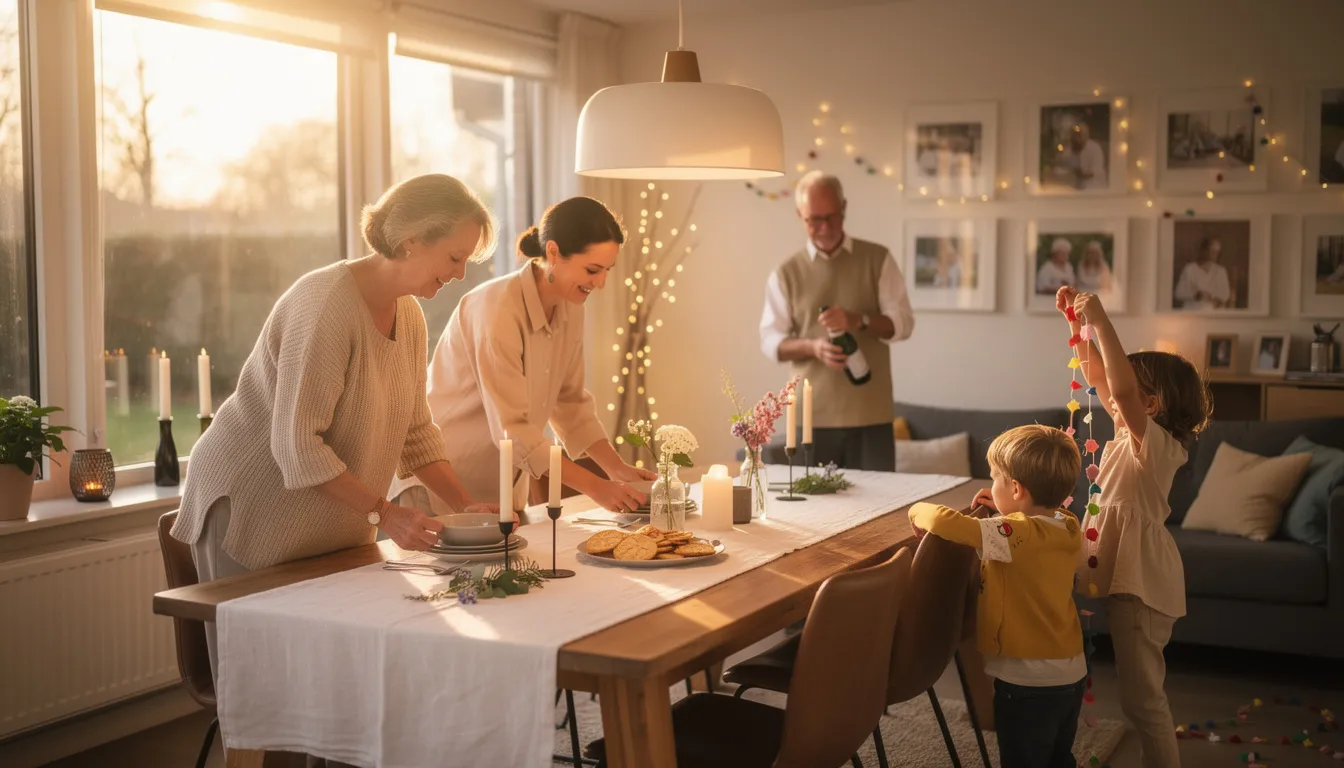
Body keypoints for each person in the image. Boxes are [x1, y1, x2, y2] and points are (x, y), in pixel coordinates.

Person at [171, 173, 501, 675]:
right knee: (260, 682)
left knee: (333, 674)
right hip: (253, 506)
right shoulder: (325, 303)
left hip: (329, 517)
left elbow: (416, 432)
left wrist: (464, 505)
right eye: (455, 258)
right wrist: (386, 513)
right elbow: (297, 446)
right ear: (412, 240)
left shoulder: (410, 317)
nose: (460, 274)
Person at [390, 197, 655, 517]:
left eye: (607, 271)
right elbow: (512, 432)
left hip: (504, 489)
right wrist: (597, 487)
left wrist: (616, 469)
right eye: (592, 270)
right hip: (441, 487)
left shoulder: (571, 308)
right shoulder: (496, 308)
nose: (600, 283)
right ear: (554, 253)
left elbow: (570, 403)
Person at [1059, 286, 1212, 768]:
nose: (1116, 395)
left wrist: (1102, 318)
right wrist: (1076, 325)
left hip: (1143, 583)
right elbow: (1101, 377)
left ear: (1150, 404)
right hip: (1129, 576)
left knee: (1142, 700)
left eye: (1130, 390)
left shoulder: (1159, 445)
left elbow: (1119, 388)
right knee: (1137, 698)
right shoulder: (1131, 433)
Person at [909, 425, 1084, 768]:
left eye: (994, 480)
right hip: (1070, 674)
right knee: (1058, 759)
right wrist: (1008, 512)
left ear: (1016, 489)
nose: (990, 487)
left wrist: (916, 509)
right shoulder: (1067, 524)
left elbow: (946, 522)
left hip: (1026, 683)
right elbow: (1030, 534)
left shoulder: (1013, 534)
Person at [759, 171, 915, 471]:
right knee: (812, 500)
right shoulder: (786, 272)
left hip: (871, 413)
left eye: (832, 216)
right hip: (812, 417)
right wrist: (812, 347)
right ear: (800, 215)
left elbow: (904, 323)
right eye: (815, 220)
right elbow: (769, 341)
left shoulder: (878, 259)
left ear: (844, 208)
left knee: (881, 498)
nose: (825, 227)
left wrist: (860, 319)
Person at [1173, 236, 1232, 309]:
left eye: (1217, 252)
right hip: (1194, 310)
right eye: (1212, 251)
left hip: (1214, 311)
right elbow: (1178, 293)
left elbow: (1225, 294)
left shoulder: (1221, 271)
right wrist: (1196, 295)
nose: (1215, 254)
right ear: (1203, 250)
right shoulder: (1190, 269)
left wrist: (1212, 297)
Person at [1066, 122, 1107, 190]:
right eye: (1075, 135)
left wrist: (1081, 174)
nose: (1077, 137)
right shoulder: (1070, 149)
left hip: (1094, 187)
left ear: (1086, 135)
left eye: (1080, 134)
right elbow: (1066, 166)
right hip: (1077, 187)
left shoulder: (1094, 148)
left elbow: (1096, 171)